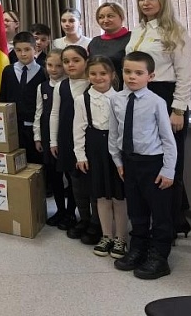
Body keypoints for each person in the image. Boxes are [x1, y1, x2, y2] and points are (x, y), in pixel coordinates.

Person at [125, 0, 191, 239]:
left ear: (163, 0)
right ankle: (152, 221)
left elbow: (184, 75)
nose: (146, 3)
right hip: (140, 97)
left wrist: (178, 110)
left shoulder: (175, 31)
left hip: (167, 98)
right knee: (147, 162)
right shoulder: (138, 30)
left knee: (170, 163)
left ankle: (172, 224)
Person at [109, 51, 177, 280]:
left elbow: (168, 139)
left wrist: (168, 170)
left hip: (153, 164)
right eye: (127, 71)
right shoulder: (116, 99)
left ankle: (159, 257)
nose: (132, 77)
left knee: (160, 212)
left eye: (139, 73)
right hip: (129, 162)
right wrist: (118, 161)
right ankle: (138, 248)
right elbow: (114, 134)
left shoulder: (157, 102)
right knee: (136, 210)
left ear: (151, 76)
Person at [74, 56, 127, 260]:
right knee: (101, 196)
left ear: (112, 75)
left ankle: (121, 237)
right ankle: (107, 236)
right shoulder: (82, 100)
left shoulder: (121, 98)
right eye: (93, 74)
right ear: (88, 76)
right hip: (95, 149)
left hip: (116, 150)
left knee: (119, 196)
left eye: (103, 73)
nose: (98, 77)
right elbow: (78, 129)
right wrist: (80, 155)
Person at [49, 45, 92, 238]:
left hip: (89, 139)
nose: (70, 65)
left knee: (89, 180)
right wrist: (53, 140)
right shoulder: (61, 86)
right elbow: (54, 114)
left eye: (76, 60)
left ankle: (95, 220)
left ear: (86, 62)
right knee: (74, 179)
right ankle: (78, 216)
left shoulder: (94, 83)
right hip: (67, 138)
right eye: (66, 61)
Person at [0, 32, 47, 163]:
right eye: (18, 50)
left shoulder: (43, 72)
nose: (23, 54)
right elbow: (3, 98)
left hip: (34, 128)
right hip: (13, 127)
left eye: (27, 49)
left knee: (35, 162)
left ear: (35, 49)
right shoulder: (8, 71)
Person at [34, 49, 68, 227]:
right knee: (54, 176)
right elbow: (38, 113)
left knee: (70, 177)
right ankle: (60, 210)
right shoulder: (42, 87)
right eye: (49, 65)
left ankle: (71, 213)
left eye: (58, 65)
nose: (54, 69)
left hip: (66, 136)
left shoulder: (69, 85)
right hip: (48, 136)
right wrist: (37, 137)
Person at [88, 2, 131, 84]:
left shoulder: (132, 38)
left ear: (121, 17)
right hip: (97, 87)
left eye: (110, 16)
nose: (105, 20)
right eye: (101, 17)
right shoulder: (94, 42)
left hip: (124, 87)